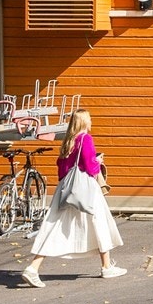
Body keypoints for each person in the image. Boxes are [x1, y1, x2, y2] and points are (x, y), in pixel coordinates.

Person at [21, 109, 125, 287]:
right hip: (86, 189)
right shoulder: (85, 139)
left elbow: (61, 169)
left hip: (67, 189)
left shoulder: (68, 141)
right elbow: (89, 166)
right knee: (99, 222)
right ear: (84, 121)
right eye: (89, 119)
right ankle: (106, 267)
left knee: (54, 226)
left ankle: (34, 267)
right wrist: (98, 162)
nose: (91, 122)